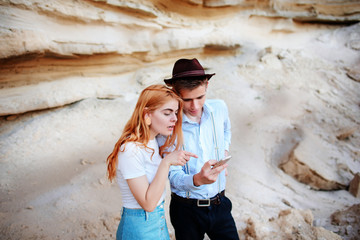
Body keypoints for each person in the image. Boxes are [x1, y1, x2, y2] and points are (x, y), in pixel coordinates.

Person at [106, 84, 197, 240]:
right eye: (167, 113)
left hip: (158, 223)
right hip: (139, 227)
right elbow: (148, 204)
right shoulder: (130, 150)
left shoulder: (154, 141)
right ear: (147, 114)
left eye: (175, 112)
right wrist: (166, 163)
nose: (174, 118)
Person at [162, 58, 239, 240]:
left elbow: (226, 130)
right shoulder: (168, 125)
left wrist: (224, 151)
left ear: (207, 85)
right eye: (187, 99)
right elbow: (172, 176)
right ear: (175, 92)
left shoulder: (220, 107)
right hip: (185, 210)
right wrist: (197, 179)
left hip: (221, 204)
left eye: (200, 97)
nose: (194, 106)